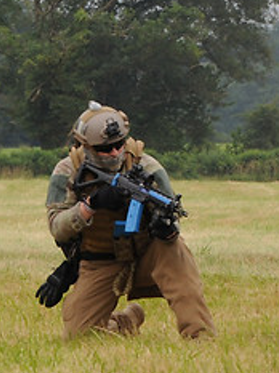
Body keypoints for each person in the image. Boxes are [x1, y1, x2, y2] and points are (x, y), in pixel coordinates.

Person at [43, 103, 214, 339]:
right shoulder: (68, 171)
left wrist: (164, 225)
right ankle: (125, 322)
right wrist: (91, 205)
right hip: (100, 260)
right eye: (106, 148)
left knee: (175, 251)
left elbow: (172, 212)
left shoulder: (147, 166)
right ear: (87, 147)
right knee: (78, 337)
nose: (115, 153)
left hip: (147, 253)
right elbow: (57, 227)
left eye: (119, 145)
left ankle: (200, 337)